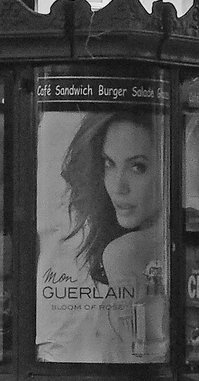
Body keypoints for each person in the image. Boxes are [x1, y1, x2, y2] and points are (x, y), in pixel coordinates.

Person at [58, 110, 167, 360]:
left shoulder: (124, 252)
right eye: (109, 164)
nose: (118, 187)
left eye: (137, 167)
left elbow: (138, 359)